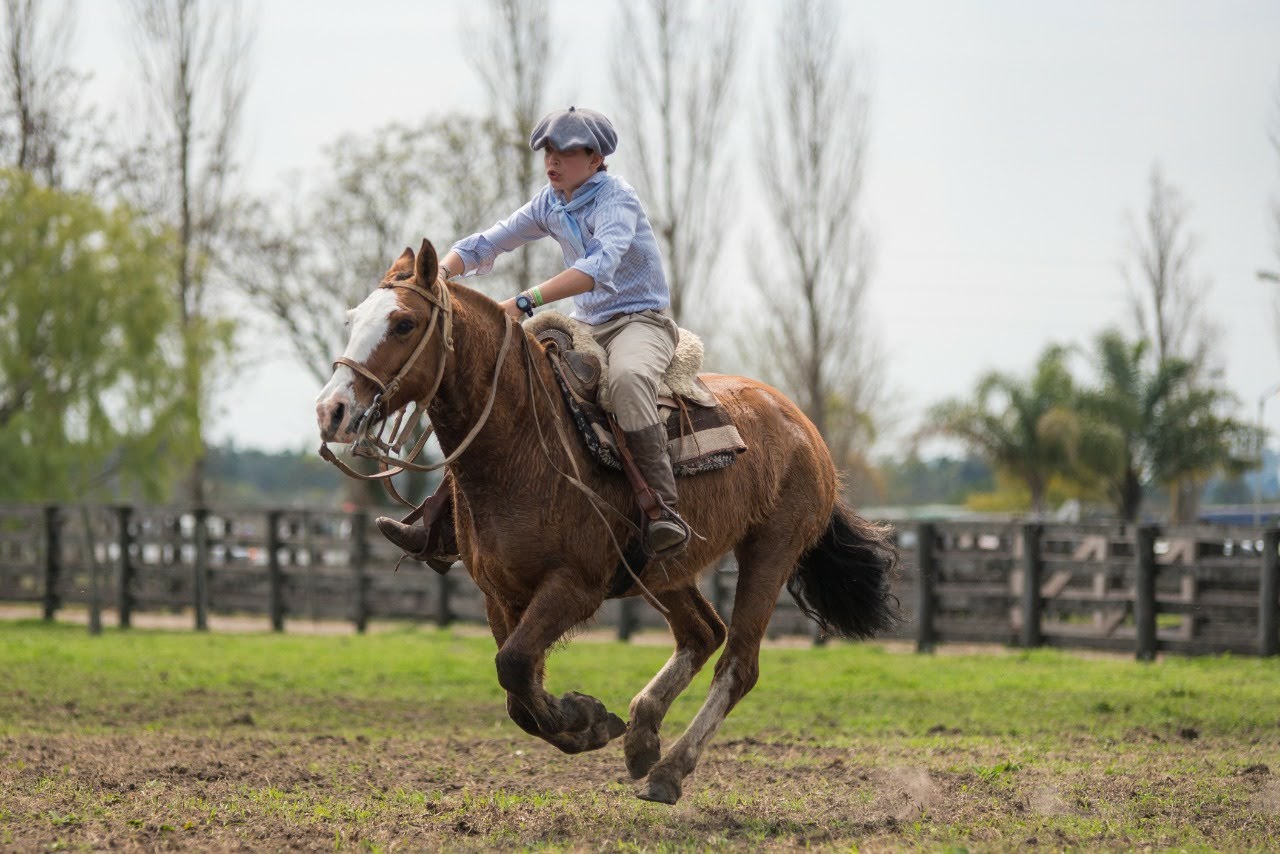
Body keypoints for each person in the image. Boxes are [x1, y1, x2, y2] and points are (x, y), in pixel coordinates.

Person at [378, 106, 689, 559]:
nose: (552, 161)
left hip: (641, 322)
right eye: (548, 151)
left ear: (596, 158)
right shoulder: (551, 201)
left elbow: (597, 267)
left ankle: (664, 511)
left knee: (627, 380)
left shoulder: (617, 200)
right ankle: (440, 522)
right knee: (505, 385)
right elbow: (485, 244)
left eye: (565, 152)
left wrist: (526, 301)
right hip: (587, 325)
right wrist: (437, 277)